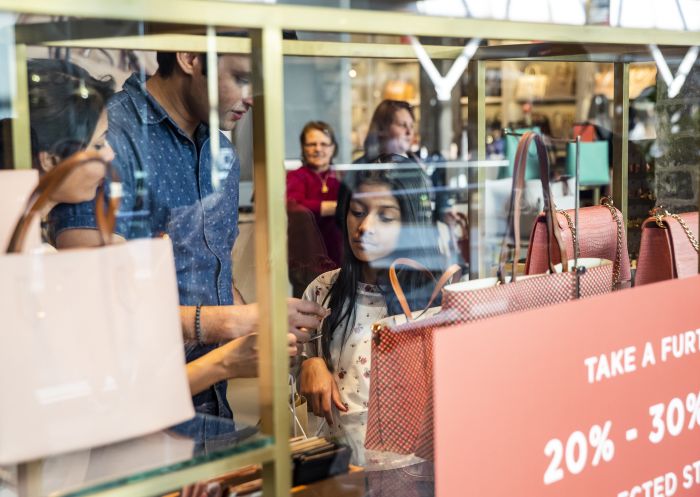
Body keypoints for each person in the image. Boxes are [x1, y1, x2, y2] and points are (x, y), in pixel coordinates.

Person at [49, 49, 327, 420]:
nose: (251, 97)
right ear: (189, 57)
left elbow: (212, 266)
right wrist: (236, 322)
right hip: (129, 409)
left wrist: (262, 326)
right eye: (242, 78)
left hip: (213, 408)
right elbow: (90, 297)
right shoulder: (110, 138)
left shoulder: (221, 151)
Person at [299, 157, 442, 467]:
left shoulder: (432, 300)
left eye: (386, 217)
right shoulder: (323, 291)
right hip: (341, 464)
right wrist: (308, 363)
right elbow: (290, 362)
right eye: (358, 212)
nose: (364, 227)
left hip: (412, 469)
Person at [287, 121, 342, 265]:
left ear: (333, 148)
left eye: (324, 144)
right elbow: (293, 205)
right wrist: (333, 207)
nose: (318, 149)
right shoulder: (296, 176)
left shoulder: (341, 176)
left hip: (339, 253)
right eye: (312, 144)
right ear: (303, 148)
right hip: (306, 254)